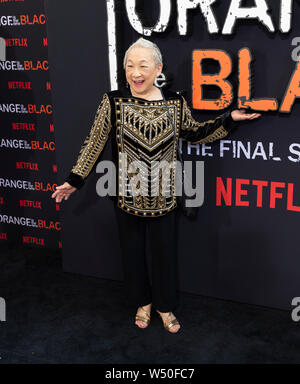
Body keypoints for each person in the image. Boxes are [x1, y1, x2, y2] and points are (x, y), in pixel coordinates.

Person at [51, 38, 261, 333]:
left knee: (165, 255)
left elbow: (196, 134)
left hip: (165, 195)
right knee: (132, 254)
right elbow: (94, 142)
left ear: (158, 68)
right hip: (126, 195)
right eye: (129, 66)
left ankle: (165, 306)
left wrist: (229, 119)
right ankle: (142, 302)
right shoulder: (113, 101)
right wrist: (75, 179)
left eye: (142, 66)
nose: (135, 73)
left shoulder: (175, 102)